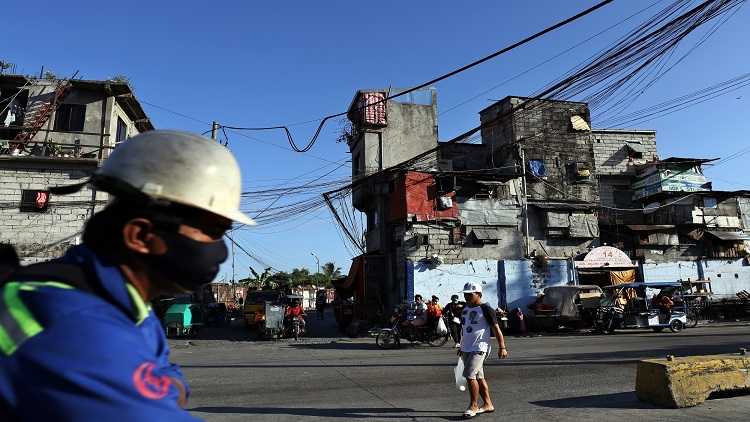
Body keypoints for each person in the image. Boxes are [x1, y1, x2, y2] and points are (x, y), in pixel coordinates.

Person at [0, 130, 255, 421]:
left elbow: (169, 377)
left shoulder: (126, 305)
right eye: (212, 231)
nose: (219, 250)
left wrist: (156, 389)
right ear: (140, 235)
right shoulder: (76, 322)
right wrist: (160, 391)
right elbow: (165, 396)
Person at [459, 282, 508, 418]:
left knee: (469, 376)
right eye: (465, 294)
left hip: (479, 348)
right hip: (466, 348)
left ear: (479, 294)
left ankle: (473, 406)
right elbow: (464, 329)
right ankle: (488, 404)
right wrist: (461, 345)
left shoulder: (486, 309)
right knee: (479, 377)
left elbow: (496, 329)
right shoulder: (465, 309)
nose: (467, 297)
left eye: (470, 294)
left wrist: (502, 347)